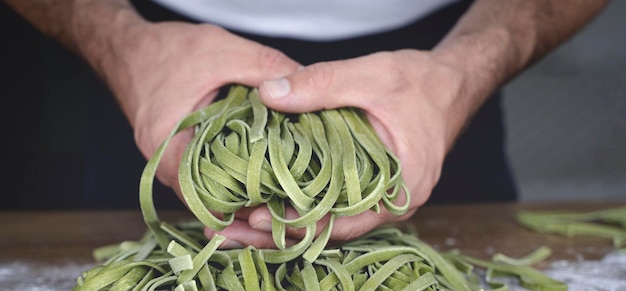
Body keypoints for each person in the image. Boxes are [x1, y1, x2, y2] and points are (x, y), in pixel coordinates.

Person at [3, 0, 608, 249]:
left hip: (434, 66)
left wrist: (467, 68)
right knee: (160, 270)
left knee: (445, 280)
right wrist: (118, 40)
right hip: (159, 57)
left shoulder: (451, 72)